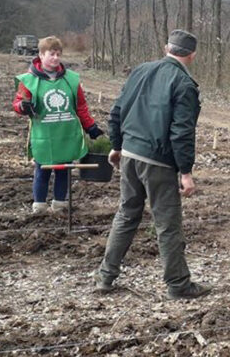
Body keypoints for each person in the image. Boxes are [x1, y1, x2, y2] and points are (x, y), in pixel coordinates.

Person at [95, 29, 209, 300]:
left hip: (130, 156)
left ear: (166, 47)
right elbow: (181, 132)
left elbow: (117, 111)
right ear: (192, 55)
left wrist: (117, 145)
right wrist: (186, 172)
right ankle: (179, 285)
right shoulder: (184, 84)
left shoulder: (140, 70)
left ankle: (105, 277)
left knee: (126, 215)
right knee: (168, 224)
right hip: (157, 161)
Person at [13, 36, 103, 215]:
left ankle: (60, 204)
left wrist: (90, 127)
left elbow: (81, 107)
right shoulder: (28, 81)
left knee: (65, 170)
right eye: (51, 54)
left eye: (58, 54)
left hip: (67, 134)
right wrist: (22, 106)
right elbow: (18, 103)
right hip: (43, 135)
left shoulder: (72, 80)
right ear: (41, 55)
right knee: (42, 169)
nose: (55, 58)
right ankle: (39, 205)